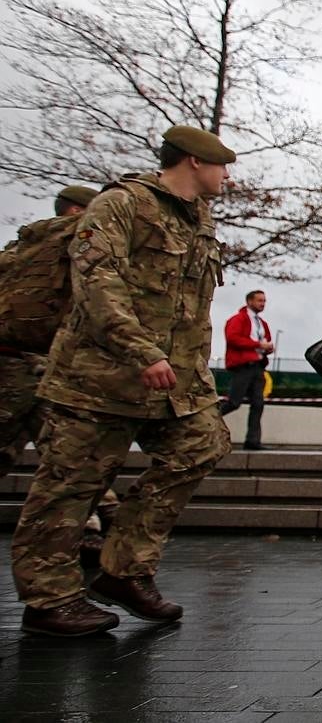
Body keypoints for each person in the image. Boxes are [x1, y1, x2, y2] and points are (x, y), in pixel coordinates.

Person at [10, 126, 236, 637]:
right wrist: (139, 350)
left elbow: (189, 307)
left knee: (203, 445)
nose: (226, 175)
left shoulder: (197, 218)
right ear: (194, 162)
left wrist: (194, 372)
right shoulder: (121, 204)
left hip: (173, 380)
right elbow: (96, 282)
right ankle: (48, 600)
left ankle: (124, 569)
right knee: (69, 488)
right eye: (221, 165)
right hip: (100, 377)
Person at [0, 184, 120, 567]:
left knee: (68, 454)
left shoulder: (22, 250)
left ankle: (92, 526)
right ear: (76, 214)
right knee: (68, 453)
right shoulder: (75, 248)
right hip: (37, 366)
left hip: (28, 366)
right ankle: (93, 528)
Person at [220, 289, 273, 449]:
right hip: (243, 366)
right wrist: (258, 345)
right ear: (249, 301)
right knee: (233, 402)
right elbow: (233, 338)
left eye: (264, 301)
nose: (262, 304)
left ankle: (253, 440)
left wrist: (268, 348)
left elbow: (266, 340)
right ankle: (206, 424)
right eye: (259, 300)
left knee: (258, 403)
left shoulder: (262, 323)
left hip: (258, 366)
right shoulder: (238, 319)